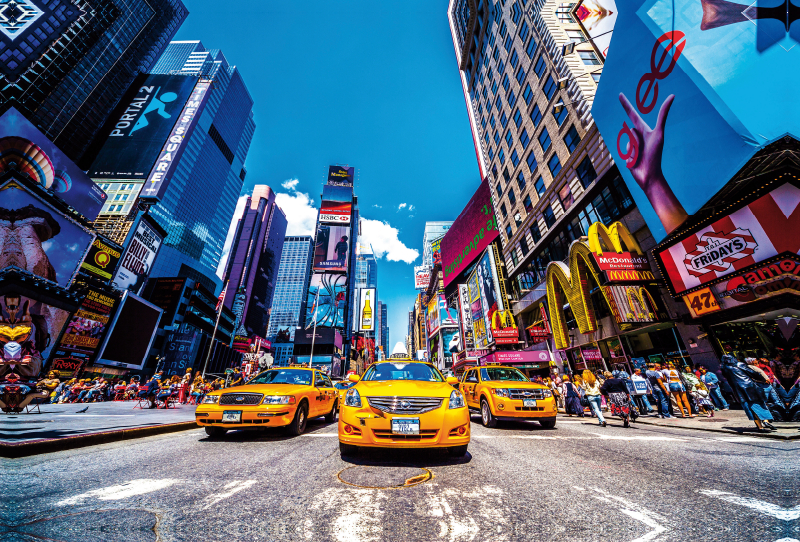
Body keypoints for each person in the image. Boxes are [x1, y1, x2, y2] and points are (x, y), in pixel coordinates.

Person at [720, 354, 776, 432]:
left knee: (750, 408)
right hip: (749, 387)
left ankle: (760, 427)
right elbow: (753, 373)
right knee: (759, 404)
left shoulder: (724, 368)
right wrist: (762, 379)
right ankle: (765, 421)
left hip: (738, 391)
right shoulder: (739, 364)